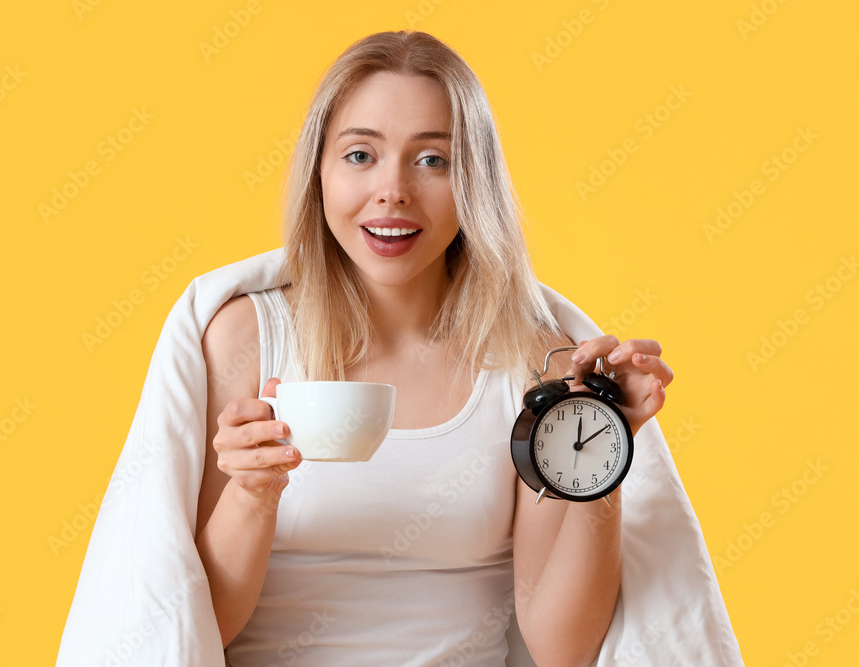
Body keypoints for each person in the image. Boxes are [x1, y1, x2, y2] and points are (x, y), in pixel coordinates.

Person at [194, 30, 672, 667]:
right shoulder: (244, 340)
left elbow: (563, 650)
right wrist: (252, 494)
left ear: (475, 182)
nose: (392, 191)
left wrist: (603, 447)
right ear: (319, 172)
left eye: (433, 161)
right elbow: (200, 628)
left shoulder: (537, 361)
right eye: (360, 155)